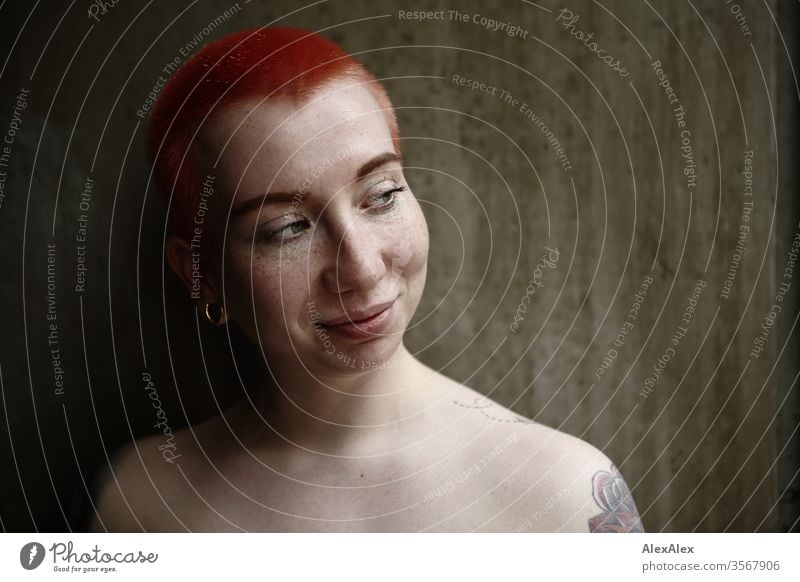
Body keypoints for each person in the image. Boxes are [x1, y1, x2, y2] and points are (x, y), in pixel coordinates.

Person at [89, 27, 643, 532]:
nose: (362, 268)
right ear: (201, 275)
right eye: (287, 228)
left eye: (381, 195)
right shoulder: (142, 504)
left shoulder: (565, 499)